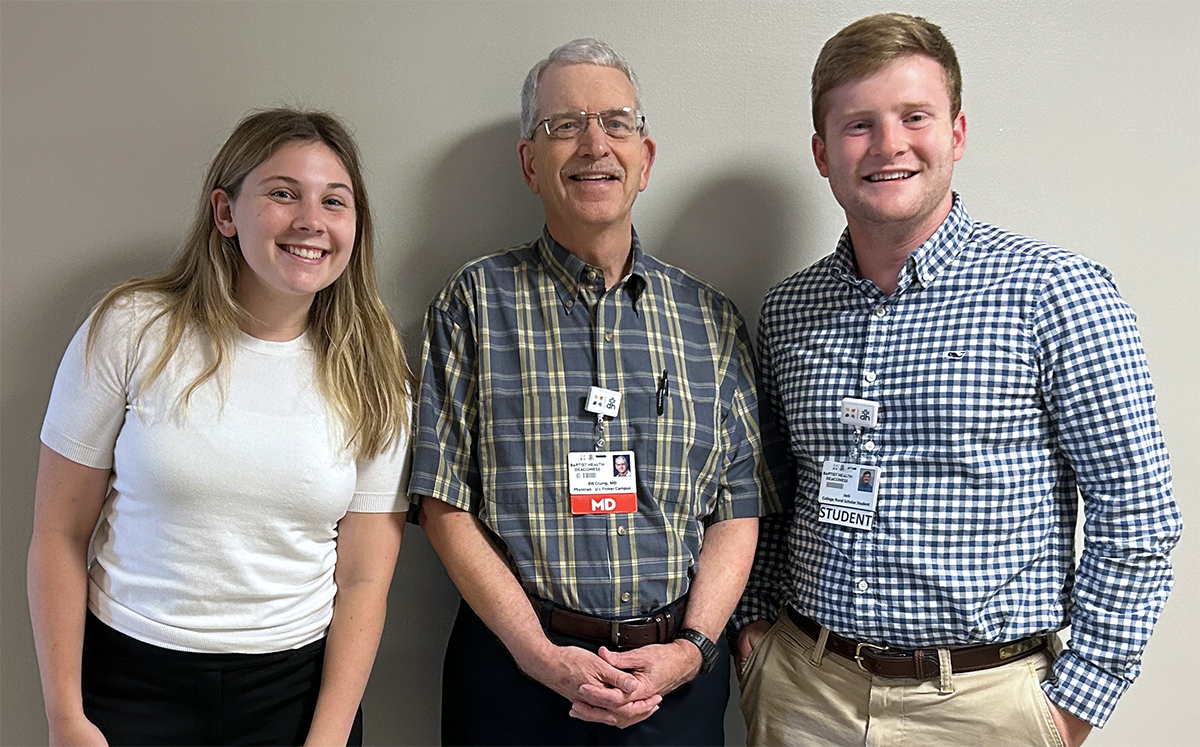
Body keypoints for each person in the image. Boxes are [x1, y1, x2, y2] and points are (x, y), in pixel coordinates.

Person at [734, 13, 1181, 747]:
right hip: (805, 693)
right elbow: (767, 494)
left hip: (986, 705)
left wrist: (1068, 710)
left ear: (958, 133)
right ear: (821, 152)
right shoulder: (788, 310)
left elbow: (1136, 515)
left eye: (915, 117)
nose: (889, 145)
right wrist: (756, 640)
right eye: (858, 125)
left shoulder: (1056, 294)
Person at [411, 38, 773, 746]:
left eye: (616, 122)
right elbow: (441, 502)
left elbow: (739, 506)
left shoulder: (712, 318)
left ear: (646, 158)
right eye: (564, 125)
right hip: (513, 675)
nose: (594, 144)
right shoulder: (474, 303)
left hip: (673, 684)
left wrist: (690, 649)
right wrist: (539, 655)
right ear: (529, 163)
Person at [27, 108, 413, 746]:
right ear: (226, 213)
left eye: (334, 201)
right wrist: (65, 715)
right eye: (282, 193)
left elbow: (365, 580)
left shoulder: (373, 368)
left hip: (294, 697)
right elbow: (58, 533)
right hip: (128, 683)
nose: (310, 221)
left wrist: (328, 739)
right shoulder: (131, 328)